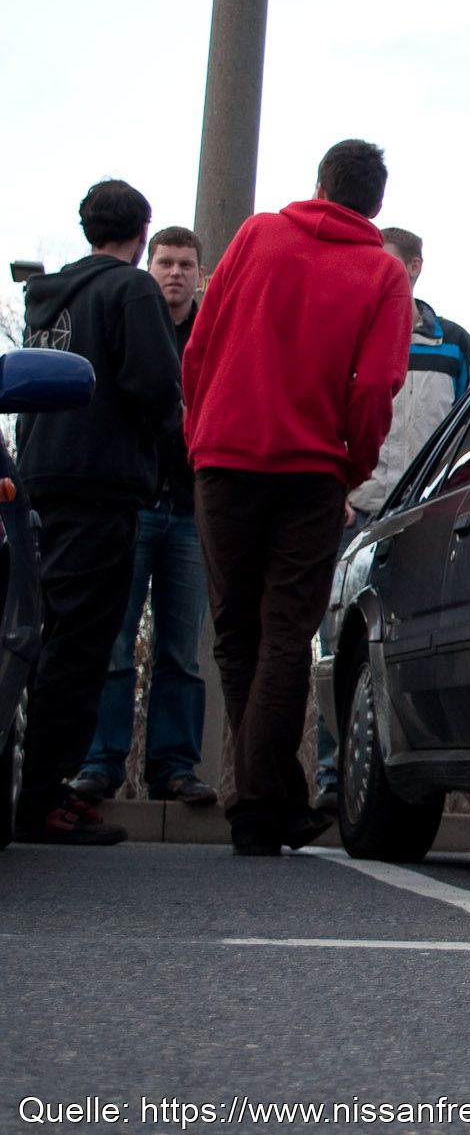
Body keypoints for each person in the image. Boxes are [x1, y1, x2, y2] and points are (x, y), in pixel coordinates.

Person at [182, 140, 412, 856]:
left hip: (224, 458)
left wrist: (200, 434)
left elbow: (199, 347)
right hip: (311, 471)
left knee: (236, 631)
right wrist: (352, 467)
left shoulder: (257, 236)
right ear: (376, 204)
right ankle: (265, 803)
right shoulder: (383, 273)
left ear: (319, 184)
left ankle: (267, 801)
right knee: (287, 632)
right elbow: (376, 388)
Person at [13, 180, 184, 845]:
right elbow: (155, 385)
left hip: (39, 481)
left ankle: (33, 781)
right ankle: (40, 797)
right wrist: (169, 445)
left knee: (40, 635)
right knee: (81, 644)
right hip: (102, 485)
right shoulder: (130, 290)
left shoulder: (49, 296)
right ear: (142, 235)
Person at [310, 224, 470, 811]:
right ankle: (335, 780)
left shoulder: (454, 344)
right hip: (354, 512)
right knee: (339, 646)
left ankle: (419, 785)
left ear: (414, 268)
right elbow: (320, 411)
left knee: (424, 643)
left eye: (383, 261)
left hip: (425, 518)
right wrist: (335, 487)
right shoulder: (342, 331)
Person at [67, 228, 217, 808]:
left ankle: (174, 767)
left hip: (190, 510)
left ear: (200, 276)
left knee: (181, 651)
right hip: (131, 506)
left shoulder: (212, 335)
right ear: (147, 266)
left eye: (185, 264)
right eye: (165, 262)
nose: (175, 272)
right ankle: (99, 763)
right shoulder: (129, 321)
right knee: (115, 642)